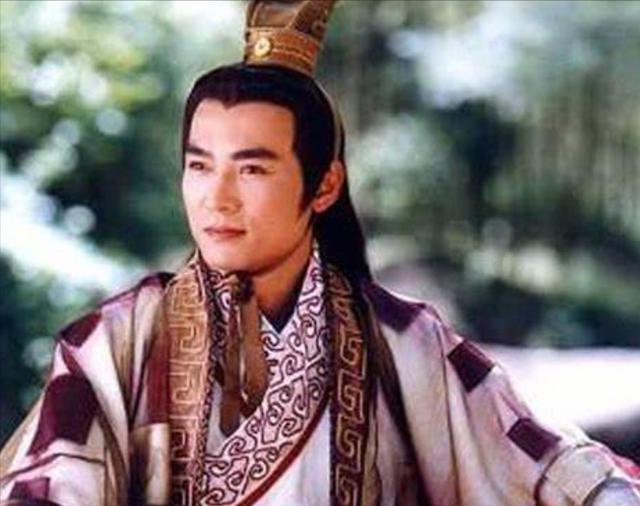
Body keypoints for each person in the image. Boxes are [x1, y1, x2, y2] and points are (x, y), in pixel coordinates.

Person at [1, 1, 638, 505]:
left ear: (325, 184)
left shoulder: (402, 341)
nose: (217, 198)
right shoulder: (115, 341)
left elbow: (538, 459)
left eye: (252, 169)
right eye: (200, 166)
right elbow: (51, 477)